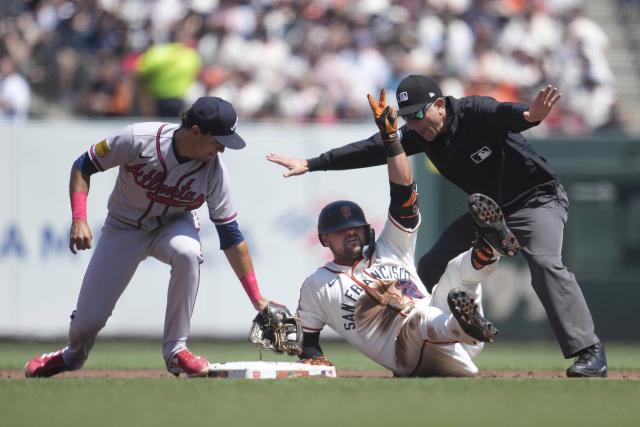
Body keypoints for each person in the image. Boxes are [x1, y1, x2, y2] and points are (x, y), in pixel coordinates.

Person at [267, 75, 607, 378]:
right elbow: (373, 148)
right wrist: (312, 164)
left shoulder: (473, 111)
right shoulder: (421, 135)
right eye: (407, 118)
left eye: (418, 114)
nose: (413, 124)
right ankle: (432, 336)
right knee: (431, 265)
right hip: (488, 211)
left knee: (546, 263)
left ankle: (589, 350)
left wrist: (530, 116)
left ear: (440, 105)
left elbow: (506, 114)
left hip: (535, 198)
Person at [25, 97, 269, 378]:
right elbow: (84, 165)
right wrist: (79, 218)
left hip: (174, 225)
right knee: (87, 323)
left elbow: (230, 235)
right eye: (219, 140)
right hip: (123, 227)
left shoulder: (214, 172)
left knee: (187, 251)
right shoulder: (139, 138)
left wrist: (257, 299)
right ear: (196, 131)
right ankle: (72, 355)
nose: (223, 148)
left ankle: (177, 351)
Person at [294, 90, 513, 377]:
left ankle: (488, 249)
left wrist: (391, 141)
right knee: (418, 318)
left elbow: (404, 196)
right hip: (411, 355)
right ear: (324, 240)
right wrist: (312, 359)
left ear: (366, 230)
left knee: (457, 271)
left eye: (356, 228)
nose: (350, 234)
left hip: (462, 343)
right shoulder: (317, 285)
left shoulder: (390, 248)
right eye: (341, 231)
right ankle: (461, 322)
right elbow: (308, 342)